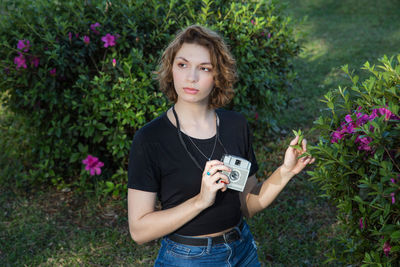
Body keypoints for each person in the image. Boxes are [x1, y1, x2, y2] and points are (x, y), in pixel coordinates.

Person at [127, 25, 315, 266]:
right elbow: (139, 231)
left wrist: (286, 171)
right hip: (188, 258)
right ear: (171, 69)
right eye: (182, 65)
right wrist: (201, 200)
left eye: (204, 68)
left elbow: (247, 204)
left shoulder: (235, 125)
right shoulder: (150, 138)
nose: (191, 77)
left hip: (242, 250)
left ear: (218, 76)